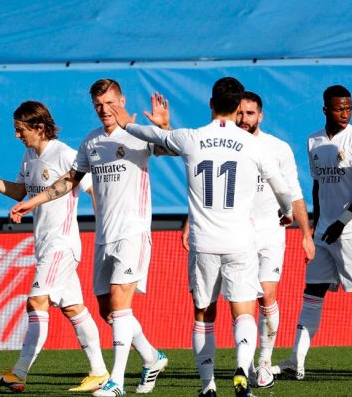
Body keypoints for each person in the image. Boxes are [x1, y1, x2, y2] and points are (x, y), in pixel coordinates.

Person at [108, 77, 296, 397]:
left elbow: (147, 133)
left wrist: (124, 119)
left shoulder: (190, 138)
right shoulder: (253, 145)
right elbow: (280, 186)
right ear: (239, 109)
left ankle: (208, 385)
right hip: (240, 242)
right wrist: (286, 211)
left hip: (204, 243)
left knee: (203, 315)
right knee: (244, 312)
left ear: (210, 104)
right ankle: (240, 368)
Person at [9, 81, 170, 397]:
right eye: (98, 104)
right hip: (104, 237)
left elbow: (169, 148)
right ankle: (151, 357)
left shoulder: (138, 133)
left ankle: (117, 382)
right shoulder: (91, 142)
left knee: (121, 305)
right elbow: (70, 180)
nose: (104, 109)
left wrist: (163, 128)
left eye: (110, 102)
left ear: (121, 100)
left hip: (133, 233)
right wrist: (32, 201)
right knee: (107, 312)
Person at [0, 101, 109, 392]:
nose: (17, 136)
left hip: (62, 244)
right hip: (45, 245)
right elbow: (21, 191)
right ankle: (99, 372)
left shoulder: (66, 154)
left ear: (39, 127)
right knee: (73, 309)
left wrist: (104, 228)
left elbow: (93, 189)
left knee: (36, 301)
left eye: (20, 130)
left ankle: (19, 373)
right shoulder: (28, 156)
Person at [274, 85, 352, 381]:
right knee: (312, 292)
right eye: (339, 108)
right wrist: (316, 224)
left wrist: (341, 222)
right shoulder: (313, 140)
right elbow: (317, 185)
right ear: (325, 109)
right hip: (323, 231)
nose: (345, 114)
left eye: (349, 108)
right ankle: (296, 360)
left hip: (350, 230)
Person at [234, 91, 315, 384]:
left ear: (260, 116)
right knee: (241, 301)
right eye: (240, 113)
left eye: (250, 114)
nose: (244, 119)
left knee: (267, 297)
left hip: (270, 233)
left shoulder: (277, 148)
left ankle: (265, 361)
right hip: (235, 235)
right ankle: (242, 362)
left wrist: (306, 234)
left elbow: (294, 193)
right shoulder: (227, 147)